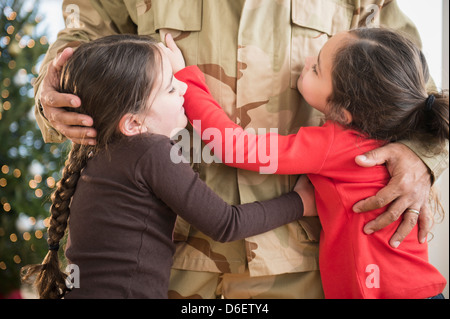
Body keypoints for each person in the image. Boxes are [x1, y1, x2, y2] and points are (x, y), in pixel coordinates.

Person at [34, 1, 448, 298]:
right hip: (167, 264)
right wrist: (52, 94)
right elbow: (81, 39)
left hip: (306, 270)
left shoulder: (329, 144)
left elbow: (412, 87)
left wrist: (422, 157)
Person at [21, 34, 318, 299]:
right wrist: (300, 202)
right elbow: (226, 224)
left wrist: (171, 74)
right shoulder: (151, 152)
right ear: (134, 122)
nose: (183, 89)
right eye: (170, 88)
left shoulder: (101, 150)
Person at [164, 28, 448, 299]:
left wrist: (185, 82)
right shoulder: (394, 130)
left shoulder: (337, 145)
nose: (307, 60)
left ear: (343, 111)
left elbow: (235, 148)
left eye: (316, 68)